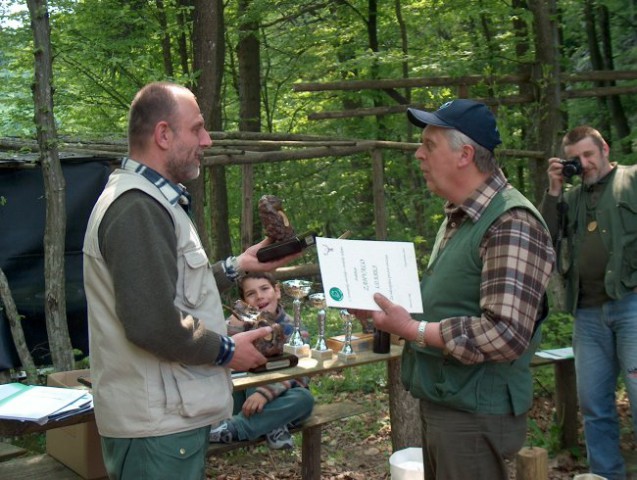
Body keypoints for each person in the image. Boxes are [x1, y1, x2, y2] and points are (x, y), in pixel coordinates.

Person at [82, 81, 300, 480]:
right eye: (197, 128)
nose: (208, 139)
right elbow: (151, 321)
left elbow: (172, 286)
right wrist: (227, 352)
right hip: (156, 426)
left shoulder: (152, 200)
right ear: (163, 134)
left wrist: (238, 265)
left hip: (166, 419)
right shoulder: (136, 208)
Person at [353, 99, 555, 480]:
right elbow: (448, 306)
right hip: (451, 405)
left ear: (464, 155)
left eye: (429, 145)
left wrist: (412, 329)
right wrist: (388, 317)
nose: (418, 154)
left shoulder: (511, 222)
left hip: (475, 417)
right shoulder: (460, 217)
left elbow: (506, 333)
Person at [540, 126, 637, 480]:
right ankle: (606, 475)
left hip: (631, 305)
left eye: (588, 155)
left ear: (604, 149)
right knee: (594, 404)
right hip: (587, 312)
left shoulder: (631, 180)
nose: (584, 163)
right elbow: (543, 237)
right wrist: (553, 190)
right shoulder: (572, 198)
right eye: (575, 159)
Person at [209, 272, 314, 449]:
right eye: (251, 294)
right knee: (253, 368)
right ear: (244, 302)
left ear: (277, 291)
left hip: (278, 397)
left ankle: (235, 429)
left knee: (305, 399)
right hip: (243, 396)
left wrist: (265, 393)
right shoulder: (237, 324)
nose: (259, 296)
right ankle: (273, 424)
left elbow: (302, 374)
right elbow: (224, 359)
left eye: (265, 289)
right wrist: (234, 328)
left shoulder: (294, 328)